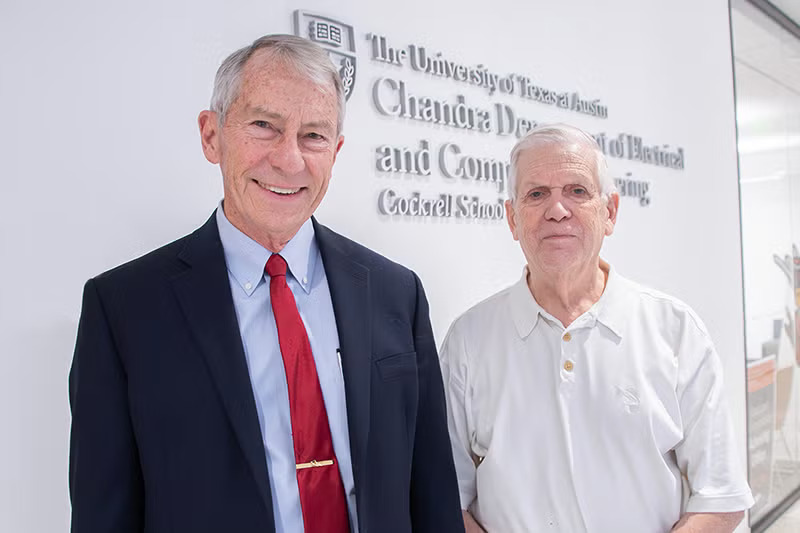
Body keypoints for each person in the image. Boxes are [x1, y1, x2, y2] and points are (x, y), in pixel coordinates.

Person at [69, 34, 463, 533]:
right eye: (263, 126)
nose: (289, 159)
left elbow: (431, 495)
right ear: (212, 135)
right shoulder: (123, 308)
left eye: (314, 136)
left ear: (336, 151)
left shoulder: (395, 292)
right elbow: (103, 515)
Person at [441, 123, 754, 533]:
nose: (557, 209)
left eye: (577, 191)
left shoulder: (675, 330)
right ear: (512, 218)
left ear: (609, 212)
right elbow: (445, 500)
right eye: (537, 194)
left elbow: (722, 498)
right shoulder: (468, 341)